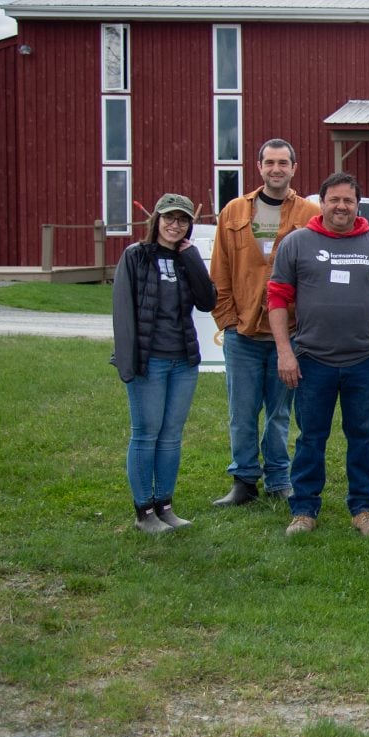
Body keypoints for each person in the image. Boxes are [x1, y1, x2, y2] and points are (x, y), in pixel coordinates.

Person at [267, 173, 369, 537]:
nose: (341, 206)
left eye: (348, 200)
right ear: (323, 202)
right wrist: (285, 352)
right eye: (334, 200)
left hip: (363, 361)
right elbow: (278, 299)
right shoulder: (297, 243)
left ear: (357, 204)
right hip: (312, 360)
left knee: (363, 436)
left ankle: (363, 509)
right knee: (310, 437)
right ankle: (304, 510)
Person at [208, 138, 320, 507]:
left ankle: (277, 478)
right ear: (258, 167)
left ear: (293, 168)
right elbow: (220, 270)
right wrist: (226, 320)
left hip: (286, 334)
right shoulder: (235, 211)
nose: (276, 169)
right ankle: (243, 480)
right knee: (241, 413)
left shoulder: (307, 214)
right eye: (269, 162)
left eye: (283, 163)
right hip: (242, 332)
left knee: (278, 413)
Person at [111, 193, 216, 533]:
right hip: (149, 362)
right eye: (169, 218)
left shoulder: (187, 258)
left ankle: (165, 506)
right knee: (146, 434)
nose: (175, 224)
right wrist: (127, 361)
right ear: (155, 220)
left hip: (182, 361)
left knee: (171, 436)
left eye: (183, 219)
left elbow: (207, 301)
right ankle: (144, 513)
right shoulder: (136, 257)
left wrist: (194, 259)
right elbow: (122, 311)